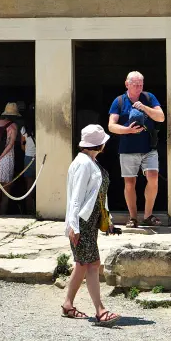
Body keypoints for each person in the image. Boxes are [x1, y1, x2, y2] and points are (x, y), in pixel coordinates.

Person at [60, 124, 119, 326]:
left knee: (82, 264)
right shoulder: (83, 164)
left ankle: (68, 304)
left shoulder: (90, 162)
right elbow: (76, 197)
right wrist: (74, 226)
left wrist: (107, 220)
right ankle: (100, 310)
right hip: (82, 223)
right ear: (100, 145)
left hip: (89, 221)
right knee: (92, 264)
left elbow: (98, 195)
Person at [107, 71, 165, 227]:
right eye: (135, 85)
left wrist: (144, 107)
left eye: (141, 84)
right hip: (127, 149)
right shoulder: (119, 101)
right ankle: (133, 217)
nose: (139, 88)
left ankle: (148, 215)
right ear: (127, 84)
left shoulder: (149, 98)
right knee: (130, 182)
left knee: (153, 177)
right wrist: (128, 130)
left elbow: (161, 117)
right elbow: (111, 126)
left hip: (149, 148)